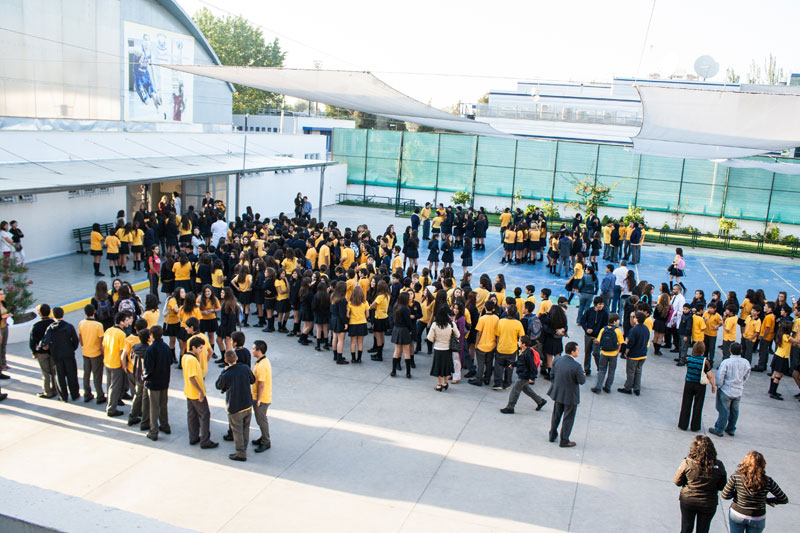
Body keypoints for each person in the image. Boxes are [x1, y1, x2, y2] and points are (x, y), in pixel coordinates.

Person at [721, 451, 788, 532]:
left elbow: (725, 495)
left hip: (737, 514)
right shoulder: (768, 481)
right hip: (757, 517)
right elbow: (783, 499)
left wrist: (737, 494)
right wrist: (767, 500)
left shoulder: (736, 477)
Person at [673, 435, 727, 533]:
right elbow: (721, 486)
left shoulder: (687, 463)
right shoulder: (718, 465)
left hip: (688, 500)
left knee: (686, 528)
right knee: (703, 530)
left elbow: (677, 481)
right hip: (708, 503)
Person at [215, 350, 255, 461]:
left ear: (225, 360)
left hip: (235, 406)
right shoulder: (245, 368)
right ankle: (244, 447)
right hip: (247, 403)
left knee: (237, 430)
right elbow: (253, 380)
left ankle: (241, 452)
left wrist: (223, 371)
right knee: (245, 428)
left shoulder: (227, 374)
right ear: (236, 358)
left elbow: (218, 385)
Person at [547, 341, 585, 448]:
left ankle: (552, 434)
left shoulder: (557, 360)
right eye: (577, 350)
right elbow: (581, 381)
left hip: (558, 392)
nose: (578, 352)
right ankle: (564, 439)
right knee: (568, 418)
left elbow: (552, 375)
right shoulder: (576, 366)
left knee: (556, 415)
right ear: (573, 352)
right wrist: (582, 374)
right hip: (570, 396)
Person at [709, 342, 750, 437]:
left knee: (724, 410)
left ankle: (719, 429)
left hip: (726, 389)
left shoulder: (726, 362)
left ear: (730, 350)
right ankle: (731, 429)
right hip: (738, 390)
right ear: (741, 351)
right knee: (734, 411)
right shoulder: (746, 363)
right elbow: (746, 376)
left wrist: (719, 385)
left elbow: (720, 376)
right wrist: (740, 383)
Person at [183, 336, 218, 449]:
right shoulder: (192, 360)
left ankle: (193, 437)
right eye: (200, 348)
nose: (202, 350)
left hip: (189, 391)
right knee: (204, 415)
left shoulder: (185, 357)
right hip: (196, 393)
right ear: (193, 347)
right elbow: (192, 377)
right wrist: (200, 392)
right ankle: (205, 440)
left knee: (192, 415)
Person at [39, 307, 80, 402]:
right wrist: (71, 349)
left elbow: (45, 341)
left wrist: (45, 346)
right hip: (68, 354)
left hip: (57, 355)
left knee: (60, 376)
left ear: (53, 316)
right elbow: (75, 340)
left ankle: (63, 396)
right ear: (63, 314)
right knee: (72, 375)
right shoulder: (69, 326)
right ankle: (75, 394)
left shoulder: (50, 328)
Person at [499, 335, 547, 413]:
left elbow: (532, 366)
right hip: (523, 374)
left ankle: (510, 407)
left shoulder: (528, 353)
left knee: (515, 390)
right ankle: (540, 401)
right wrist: (514, 364)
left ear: (524, 344)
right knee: (527, 389)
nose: (518, 342)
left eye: (519, 341)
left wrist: (532, 377)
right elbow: (521, 362)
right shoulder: (523, 351)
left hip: (524, 376)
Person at [678, 342, 717, 432]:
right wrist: (713, 386)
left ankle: (683, 424)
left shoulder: (689, 359)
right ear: (703, 351)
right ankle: (695, 426)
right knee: (698, 405)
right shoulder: (705, 361)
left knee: (686, 404)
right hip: (700, 385)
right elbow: (710, 375)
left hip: (689, 383)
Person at [143, 325, 171, 441]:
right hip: (164, 380)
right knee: (163, 404)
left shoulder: (150, 349)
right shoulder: (166, 347)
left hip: (153, 382)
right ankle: (165, 425)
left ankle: (154, 431)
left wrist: (145, 377)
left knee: (154, 407)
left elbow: (148, 368)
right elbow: (169, 361)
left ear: (152, 335)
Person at [103, 311, 132, 417]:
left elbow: (103, 346)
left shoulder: (108, 331)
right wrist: (124, 365)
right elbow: (122, 353)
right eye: (127, 320)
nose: (128, 321)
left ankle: (111, 402)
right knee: (115, 387)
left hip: (108, 361)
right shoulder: (122, 334)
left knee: (110, 384)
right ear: (121, 322)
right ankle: (111, 409)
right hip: (116, 364)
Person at [493, 305, 525, 390]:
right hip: (512, 349)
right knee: (510, 366)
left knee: (498, 366)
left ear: (507, 312)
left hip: (501, 347)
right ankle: (507, 383)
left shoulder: (501, 321)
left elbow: (497, 336)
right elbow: (522, 337)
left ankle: (498, 383)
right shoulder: (518, 324)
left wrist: (497, 344)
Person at [77, 304, 105, 403]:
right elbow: (101, 342)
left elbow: (80, 338)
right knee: (97, 375)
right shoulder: (98, 325)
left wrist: (84, 347)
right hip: (96, 353)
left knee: (86, 374)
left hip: (86, 352)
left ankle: (87, 394)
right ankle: (100, 395)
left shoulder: (81, 323)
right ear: (94, 312)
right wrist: (103, 354)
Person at [592, 313, 624, 393]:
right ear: (615, 321)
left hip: (604, 352)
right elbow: (620, 343)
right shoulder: (618, 331)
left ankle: (598, 387)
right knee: (611, 371)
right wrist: (617, 352)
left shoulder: (603, 329)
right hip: (613, 354)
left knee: (602, 370)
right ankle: (608, 387)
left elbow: (598, 341)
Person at [470, 300, 499, 387]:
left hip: (482, 345)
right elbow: (497, 333)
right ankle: (487, 379)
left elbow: (479, 333)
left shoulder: (482, 319)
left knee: (481, 363)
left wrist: (476, 343)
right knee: (489, 363)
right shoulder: (496, 318)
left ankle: (479, 379)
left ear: (485, 307)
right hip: (492, 344)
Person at [618, 311, 648, 395]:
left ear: (637, 319)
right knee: (638, 371)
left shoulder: (634, 329)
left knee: (630, 371)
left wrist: (626, 351)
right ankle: (637, 388)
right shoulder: (646, 328)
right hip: (643, 353)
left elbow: (630, 342)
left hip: (634, 354)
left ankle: (628, 387)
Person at [29, 304, 56, 399]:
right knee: (53, 371)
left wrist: (34, 352)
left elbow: (32, 340)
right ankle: (55, 389)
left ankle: (47, 392)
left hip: (41, 352)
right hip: (52, 351)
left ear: (40, 313)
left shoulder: (36, 325)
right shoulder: (53, 323)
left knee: (45, 372)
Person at [428, 306, 456, 391]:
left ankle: (439, 384)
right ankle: (446, 382)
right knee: (446, 366)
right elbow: (458, 335)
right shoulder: (451, 324)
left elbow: (429, 337)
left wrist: (435, 339)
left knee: (438, 366)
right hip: (448, 348)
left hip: (438, 348)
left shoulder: (435, 324)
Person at [251, 339, 272, 453]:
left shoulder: (262, 366)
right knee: (260, 419)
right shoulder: (262, 361)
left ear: (259, 351)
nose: (252, 350)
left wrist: (258, 399)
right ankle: (263, 437)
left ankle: (266, 441)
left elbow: (261, 384)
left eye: (253, 349)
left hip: (262, 398)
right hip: (261, 396)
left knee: (261, 420)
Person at [580, 297, 607, 376]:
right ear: (595, 304)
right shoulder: (589, 311)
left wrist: (599, 337)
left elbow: (604, 326)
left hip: (597, 336)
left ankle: (600, 368)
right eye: (599, 304)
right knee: (587, 352)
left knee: (596, 353)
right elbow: (583, 321)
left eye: (602, 304)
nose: (601, 306)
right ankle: (587, 369)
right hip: (588, 335)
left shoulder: (604, 313)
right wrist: (586, 329)